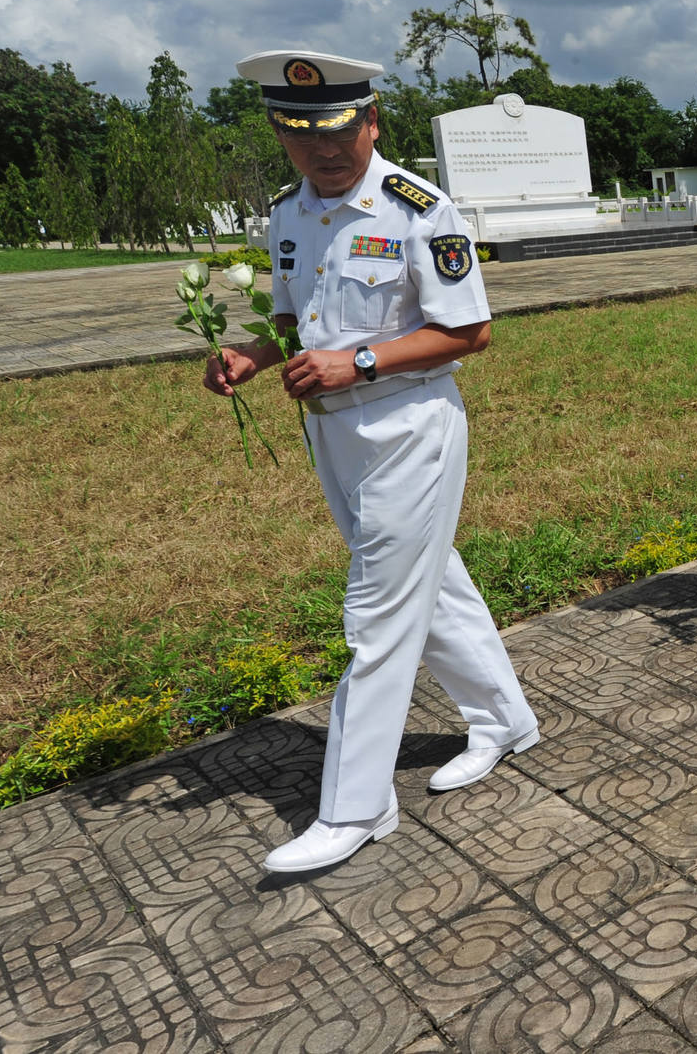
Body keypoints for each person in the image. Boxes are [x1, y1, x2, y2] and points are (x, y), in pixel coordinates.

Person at [206, 50, 537, 875]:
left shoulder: (418, 209)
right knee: (430, 581)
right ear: (281, 133)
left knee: (376, 613)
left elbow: (469, 332)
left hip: (408, 425)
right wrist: (251, 352)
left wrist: (356, 365)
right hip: (332, 431)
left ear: (370, 122)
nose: (321, 150)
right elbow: (297, 324)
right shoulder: (288, 217)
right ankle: (504, 719)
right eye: (298, 133)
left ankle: (355, 806)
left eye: (336, 131)